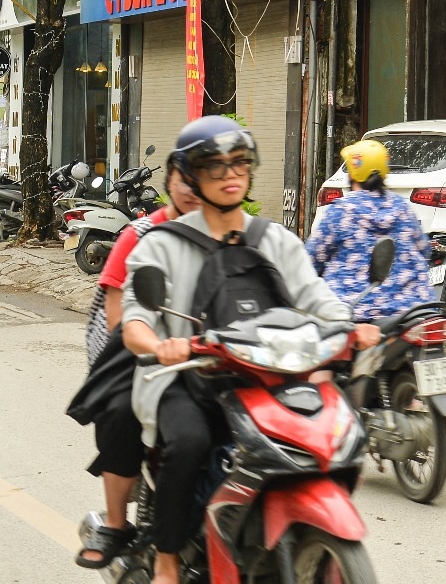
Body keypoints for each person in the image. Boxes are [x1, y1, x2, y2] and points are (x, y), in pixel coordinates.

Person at [120, 116, 382, 584]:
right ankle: (166, 560)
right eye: (214, 166)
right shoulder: (162, 244)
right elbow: (136, 319)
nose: (229, 175)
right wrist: (161, 345)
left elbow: (315, 297)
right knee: (190, 442)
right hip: (189, 377)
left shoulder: (274, 239)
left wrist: (352, 324)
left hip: (269, 375)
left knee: (332, 435)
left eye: (238, 163)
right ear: (192, 176)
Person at [75, 162, 202, 569]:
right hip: (131, 347)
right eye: (187, 180)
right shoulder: (142, 234)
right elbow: (117, 312)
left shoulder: (229, 234)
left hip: (206, 350)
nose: (196, 190)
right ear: (170, 185)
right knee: (120, 411)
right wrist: (145, 349)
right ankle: (116, 523)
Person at [306, 139, 433, 319]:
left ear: (352, 173)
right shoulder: (402, 208)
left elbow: (312, 259)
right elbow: (424, 250)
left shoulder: (341, 211)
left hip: (354, 311)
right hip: (411, 311)